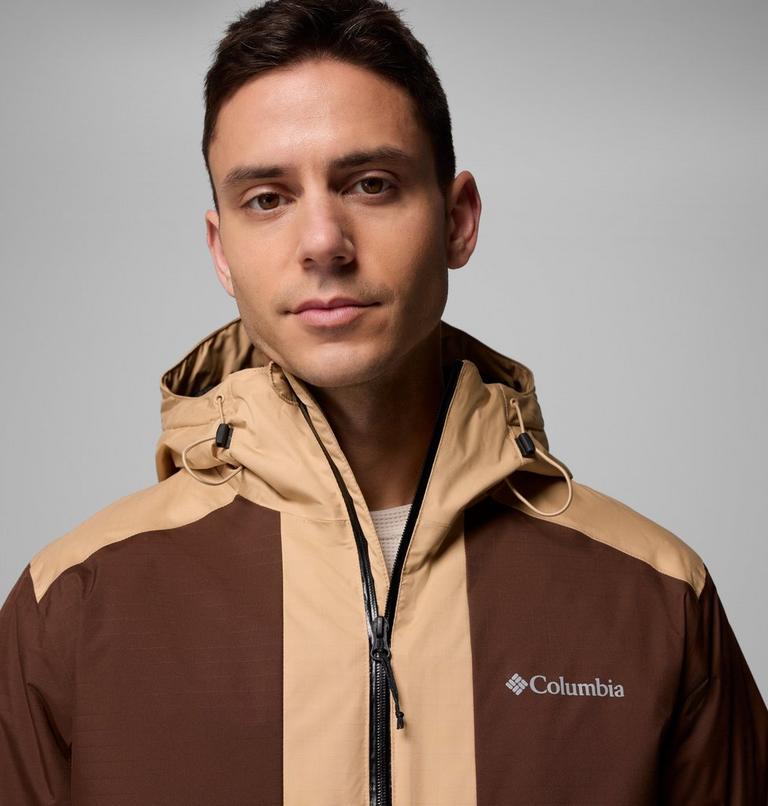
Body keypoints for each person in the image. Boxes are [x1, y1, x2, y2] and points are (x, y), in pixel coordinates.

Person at [1, 0, 766, 803]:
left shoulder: (655, 596)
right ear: (222, 252)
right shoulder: (73, 603)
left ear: (458, 220)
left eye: (371, 184)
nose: (322, 242)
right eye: (267, 198)